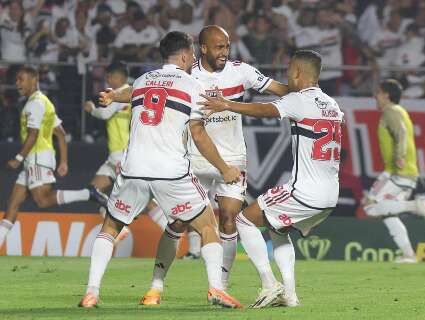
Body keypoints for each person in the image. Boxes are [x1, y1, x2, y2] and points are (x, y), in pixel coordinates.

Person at [78, 31, 242, 309]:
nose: (193, 59)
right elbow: (199, 135)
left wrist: (115, 95)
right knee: (207, 226)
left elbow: (131, 92)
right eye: (191, 54)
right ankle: (215, 288)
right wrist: (225, 168)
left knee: (110, 227)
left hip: (133, 169)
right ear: (183, 55)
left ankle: (91, 291)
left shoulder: (143, 80)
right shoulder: (191, 84)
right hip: (171, 171)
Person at [199, 50, 344, 308]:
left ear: (298, 72)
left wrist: (227, 104)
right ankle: (289, 294)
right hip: (330, 195)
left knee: (244, 220)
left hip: (303, 191)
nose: (287, 75)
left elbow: (264, 109)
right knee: (278, 230)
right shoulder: (332, 105)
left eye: (289, 70)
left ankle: (269, 284)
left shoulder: (299, 100)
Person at [174, 25, 289, 286]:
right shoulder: (187, 74)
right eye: (219, 47)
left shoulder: (241, 71)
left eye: (227, 46)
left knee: (228, 218)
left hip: (233, 157)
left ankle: (221, 284)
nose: (225, 52)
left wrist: (308, 91)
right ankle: (158, 282)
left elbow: (278, 89)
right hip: (196, 157)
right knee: (181, 222)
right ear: (203, 48)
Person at [0, 66, 107, 248]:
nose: (17, 83)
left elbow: (33, 135)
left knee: (42, 200)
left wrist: (18, 158)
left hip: (36, 157)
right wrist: (63, 160)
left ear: (34, 80)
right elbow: (60, 133)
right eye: (17, 79)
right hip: (35, 159)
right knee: (13, 203)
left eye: (21, 79)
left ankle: (86, 193)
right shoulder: (44, 101)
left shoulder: (35, 104)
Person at [83, 61, 167, 241]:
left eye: (110, 76)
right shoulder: (133, 92)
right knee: (94, 190)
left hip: (123, 155)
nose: (108, 80)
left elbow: (104, 114)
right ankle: (121, 224)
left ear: (120, 76)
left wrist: (91, 109)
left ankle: (168, 228)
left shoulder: (121, 93)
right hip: (115, 156)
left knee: (142, 198)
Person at [362, 79, 425, 263]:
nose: (375, 96)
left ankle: (413, 206)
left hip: (396, 173)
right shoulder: (400, 111)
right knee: (388, 214)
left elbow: (401, 133)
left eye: (378, 93)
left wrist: (400, 155)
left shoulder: (391, 111)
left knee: (370, 206)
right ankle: (409, 255)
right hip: (404, 173)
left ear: (386, 94)